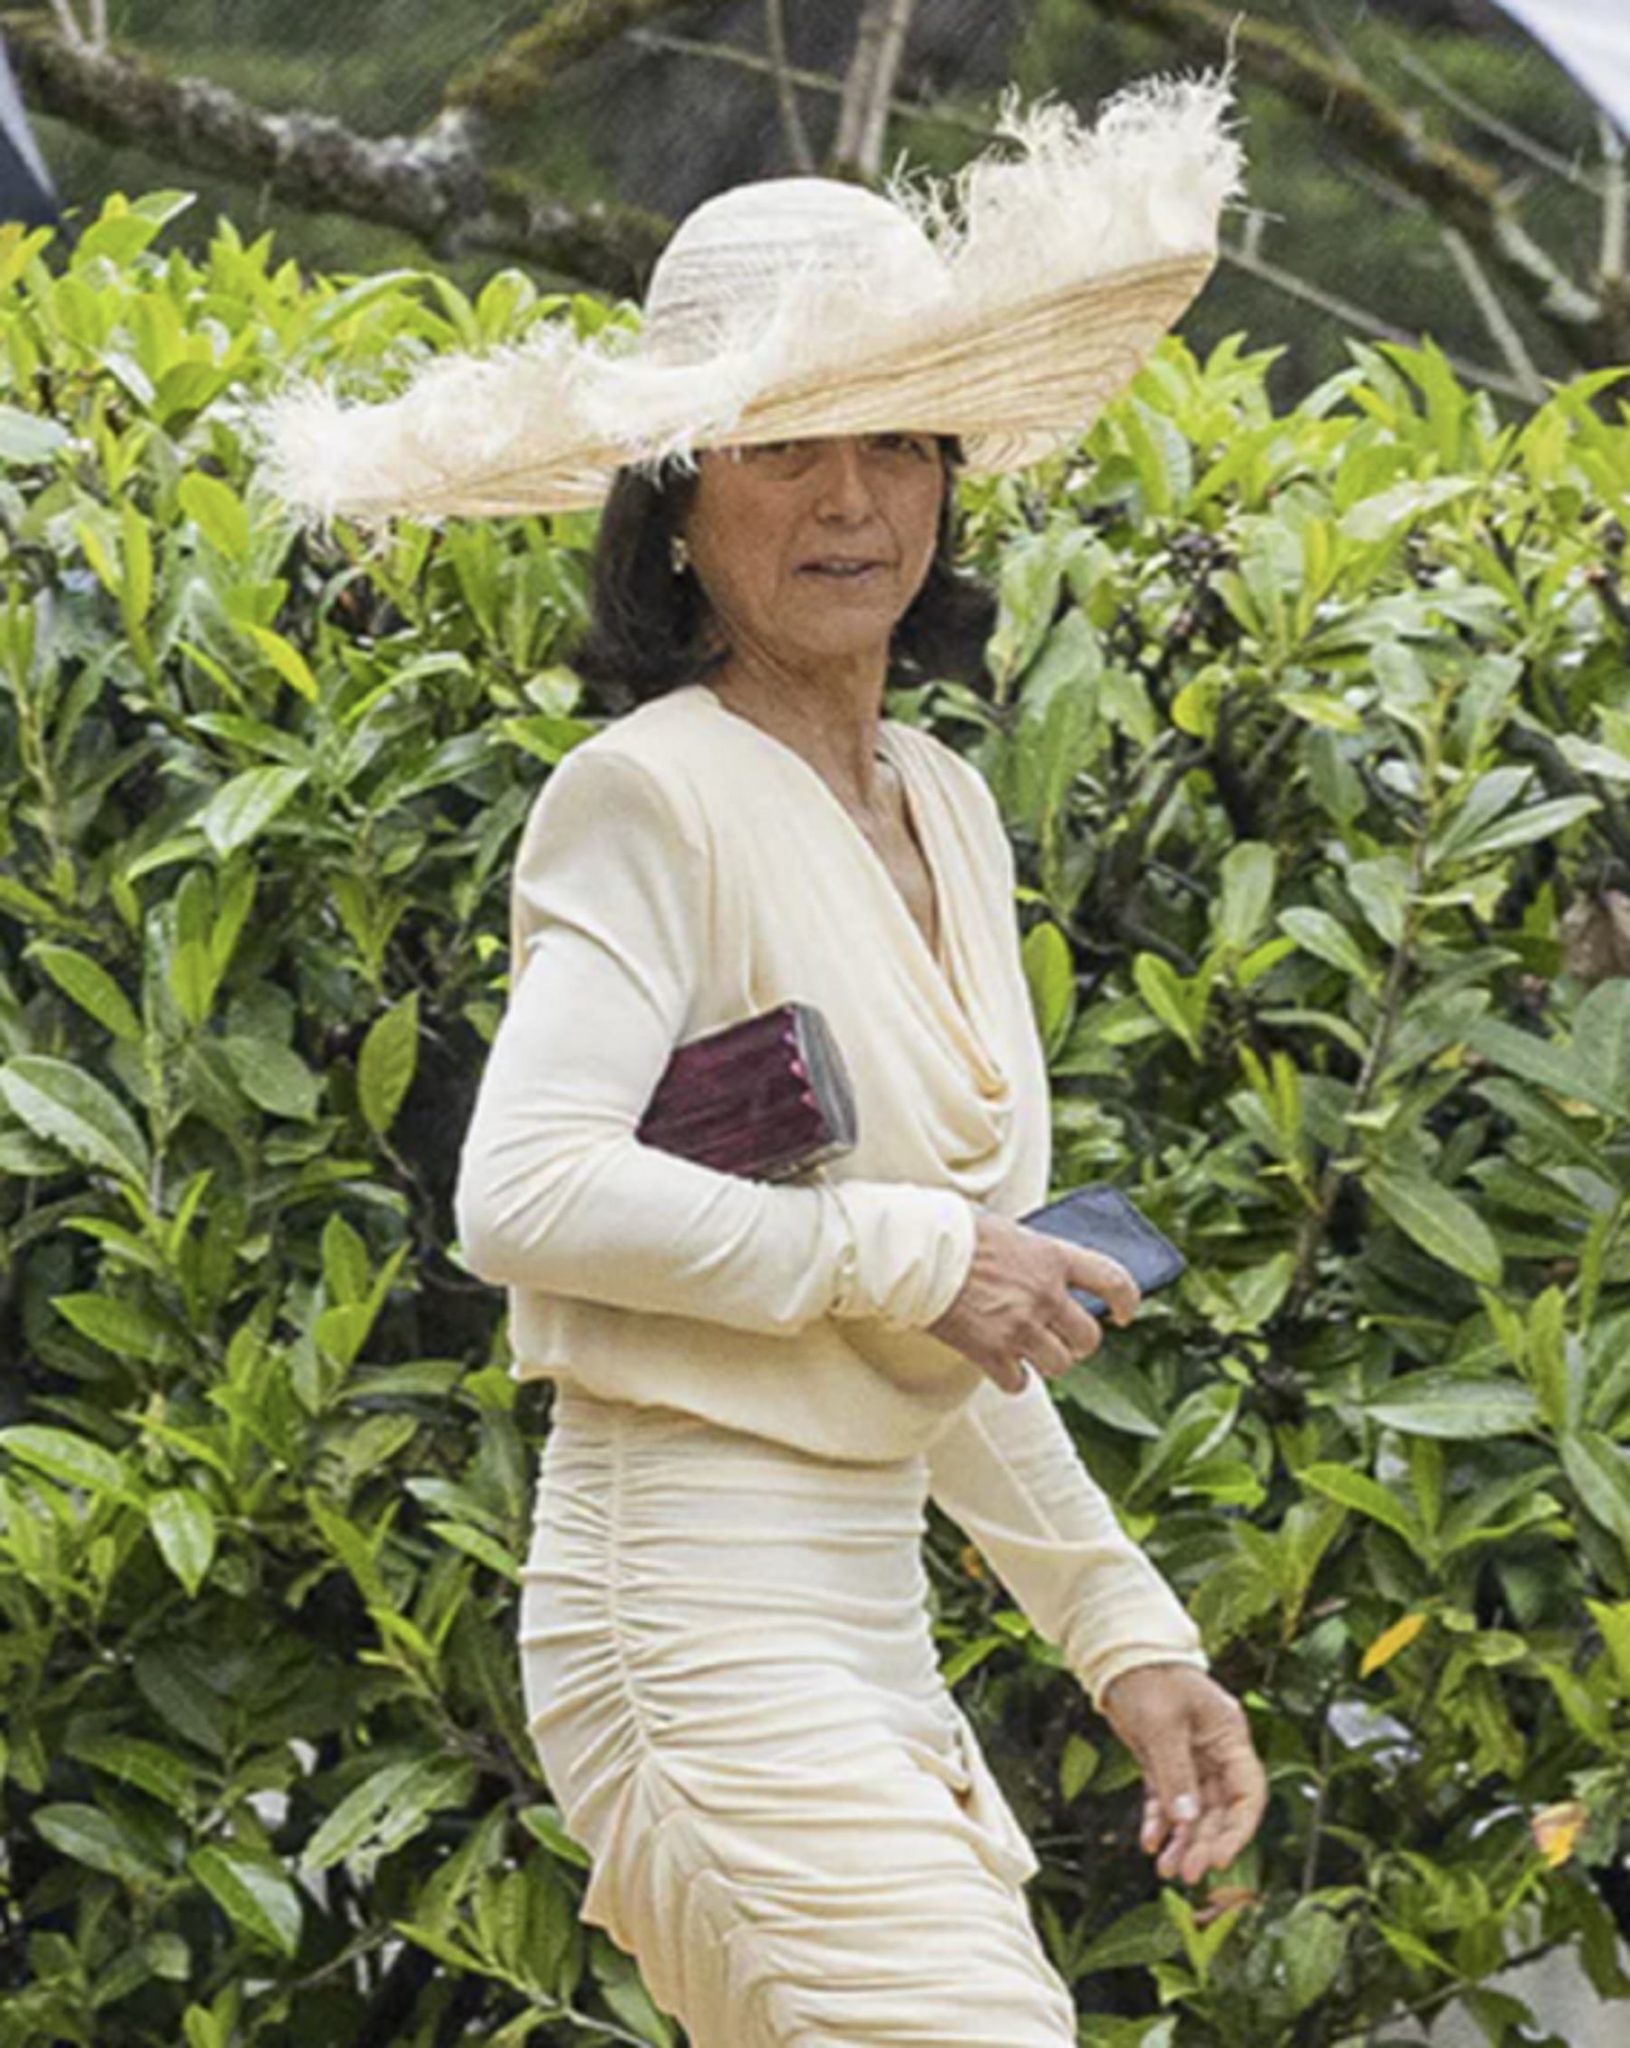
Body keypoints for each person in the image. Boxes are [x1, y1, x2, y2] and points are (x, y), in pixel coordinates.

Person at [253, 70, 1265, 2048]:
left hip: (869, 1637)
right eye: (787, 444)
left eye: (898, 438)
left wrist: (1127, 1642)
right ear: (677, 495)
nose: (850, 499)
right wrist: (911, 1249)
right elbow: (523, 1192)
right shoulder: (645, 794)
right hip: (688, 1627)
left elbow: (955, 1318)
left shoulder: (951, 808)